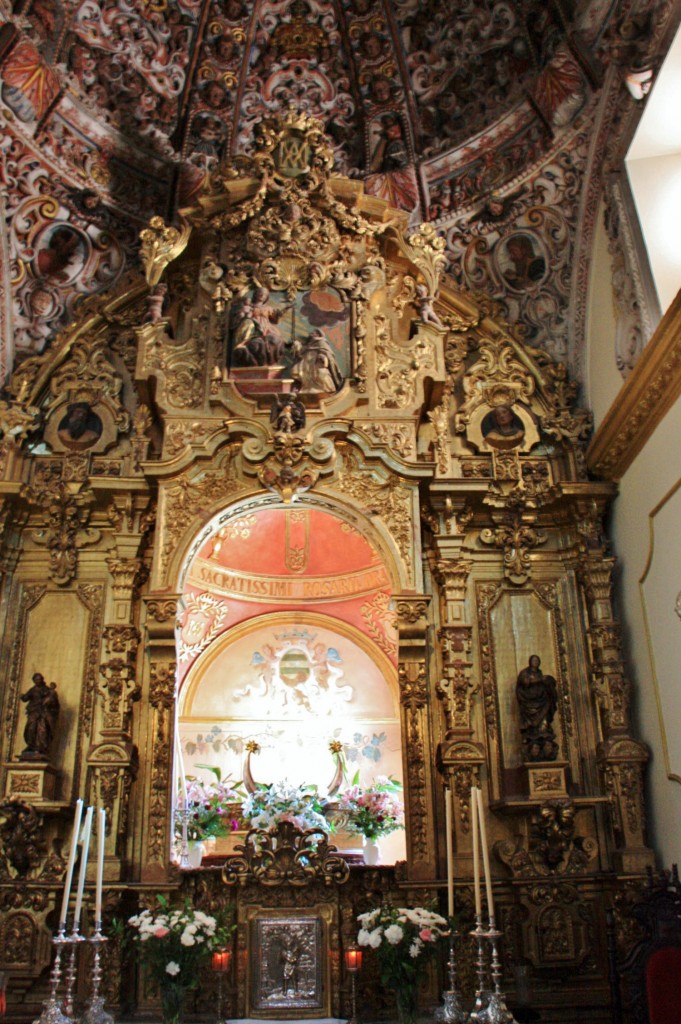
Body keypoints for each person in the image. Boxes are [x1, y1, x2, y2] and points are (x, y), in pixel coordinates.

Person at [516, 655, 558, 762]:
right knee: (532, 729)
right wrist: (540, 680)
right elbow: (525, 682)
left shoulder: (540, 673)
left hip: (542, 702)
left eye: (537, 660)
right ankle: (533, 740)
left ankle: (543, 740)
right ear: (530, 662)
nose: (535, 662)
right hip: (530, 704)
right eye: (533, 660)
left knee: (544, 726)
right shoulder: (525, 673)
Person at [289, 328, 343, 393]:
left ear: (318, 334)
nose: (312, 334)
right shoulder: (309, 344)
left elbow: (327, 353)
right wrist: (297, 345)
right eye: (312, 333)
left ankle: (325, 388)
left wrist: (323, 356)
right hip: (307, 364)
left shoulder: (322, 342)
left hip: (316, 364)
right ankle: (307, 387)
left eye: (314, 333)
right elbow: (301, 352)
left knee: (321, 374)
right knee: (297, 371)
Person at [20, 673, 59, 760]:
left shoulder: (47, 690)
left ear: (42, 679)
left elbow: (53, 702)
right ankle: (31, 745)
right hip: (34, 712)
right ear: (34, 681)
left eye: (39, 679)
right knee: (30, 728)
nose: (38, 681)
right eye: (36, 680)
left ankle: (40, 748)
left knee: (42, 730)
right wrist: (22, 696)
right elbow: (26, 698)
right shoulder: (33, 690)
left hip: (43, 713)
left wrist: (51, 698)